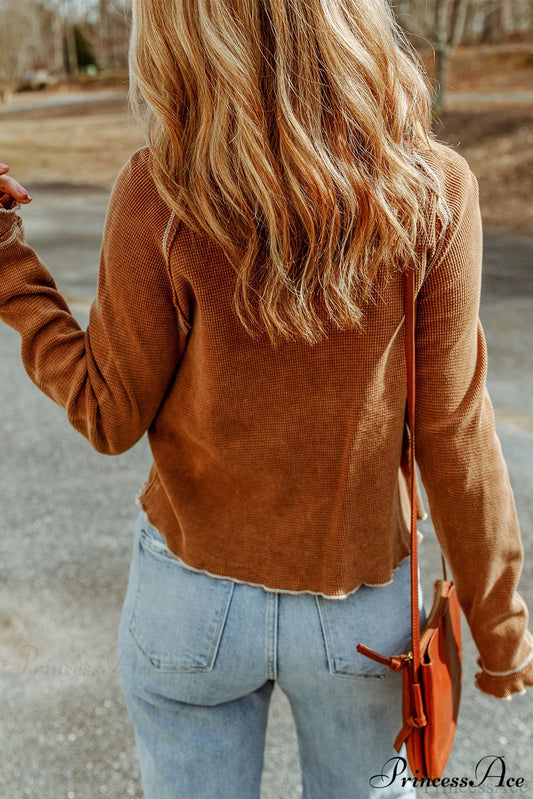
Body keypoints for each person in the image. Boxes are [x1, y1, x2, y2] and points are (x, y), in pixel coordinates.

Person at [1, 0, 532, 796]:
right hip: (363, 617)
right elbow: (453, 436)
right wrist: (499, 631)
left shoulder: (158, 191)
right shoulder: (432, 190)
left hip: (189, 602)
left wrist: (11, 264)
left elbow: (109, 415)